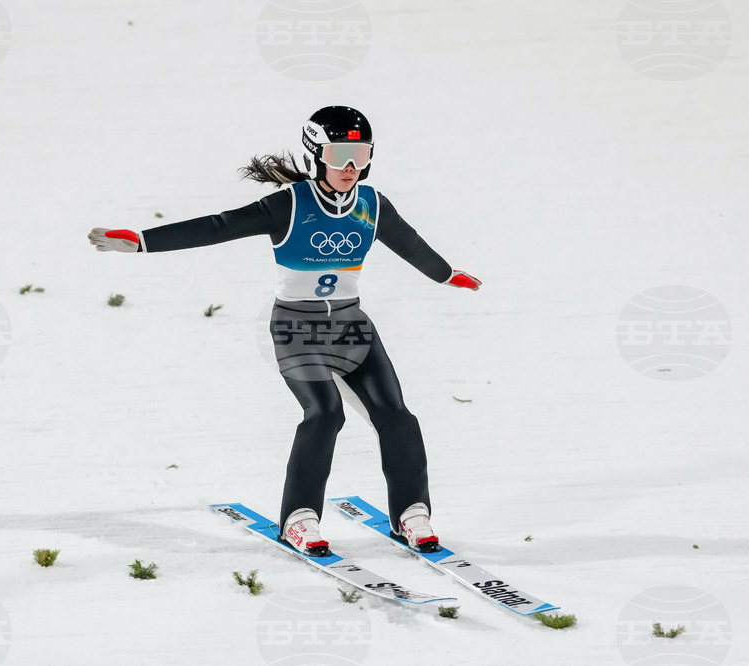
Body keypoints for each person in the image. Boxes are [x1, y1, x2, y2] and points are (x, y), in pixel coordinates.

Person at [88, 106, 481, 557]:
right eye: (340, 155)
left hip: (351, 324)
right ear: (317, 154)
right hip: (296, 326)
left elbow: (411, 244)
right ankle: (299, 519)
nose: (350, 167)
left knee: (395, 414)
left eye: (360, 154)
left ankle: (412, 513)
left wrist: (447, 275)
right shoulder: (290, 205)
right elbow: (219, 226)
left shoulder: (372, 205)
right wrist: (142, 240)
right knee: (325, 414)